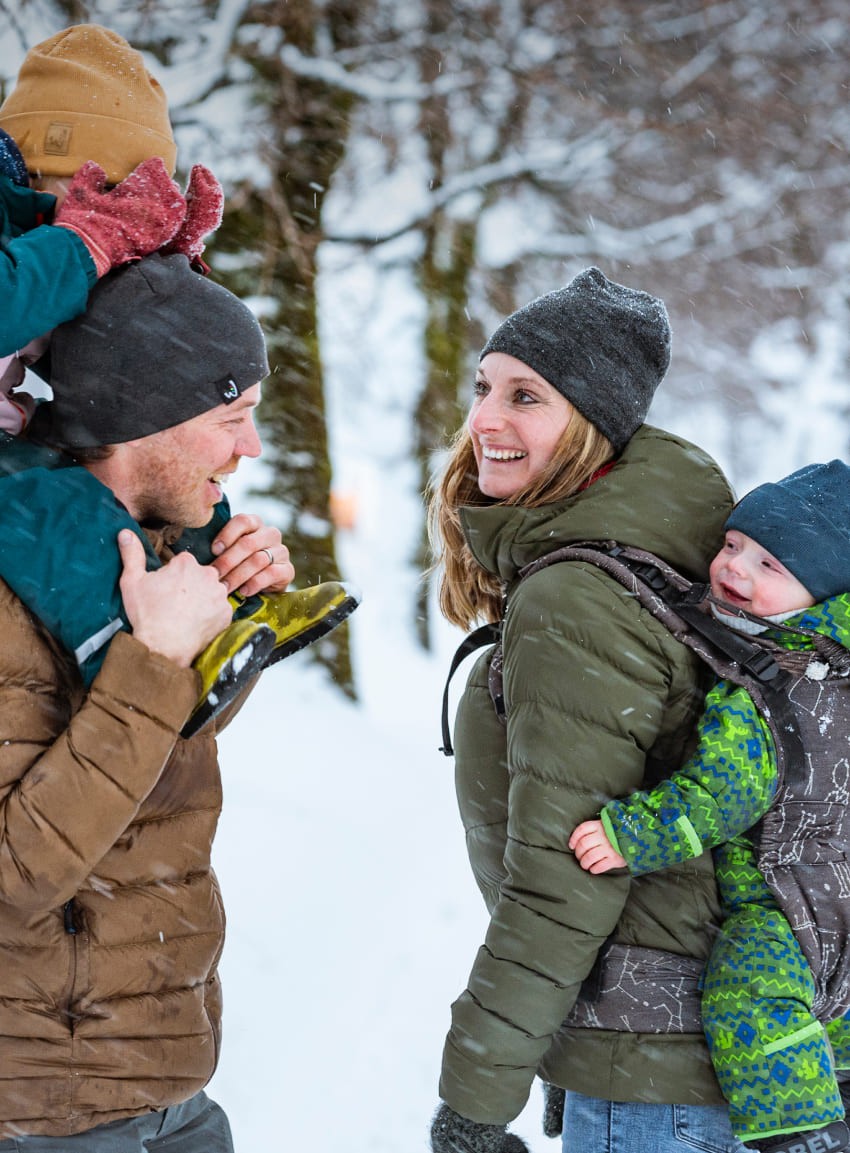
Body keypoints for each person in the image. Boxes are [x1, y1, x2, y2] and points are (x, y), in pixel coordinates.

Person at [427, 266, 744, 1153]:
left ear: (591, 426)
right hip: (696, 1056)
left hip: (652, 1077)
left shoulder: (577, 597)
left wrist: (476, 1101)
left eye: (525, 396)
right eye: (484, 387)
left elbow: (564, 876)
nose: (485, 418)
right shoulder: (661, 555)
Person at [0, 250, 286, 1149]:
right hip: (48, 1113)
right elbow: (10, 877)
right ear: (145, 415)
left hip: (172, 1089)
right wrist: (155, 661)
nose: (251, 447)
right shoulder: (11, 585)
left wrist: (236, 611)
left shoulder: (150, 550)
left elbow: (166, 748)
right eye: (232, 417)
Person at [0, 25, 358, 729]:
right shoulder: (47, 240)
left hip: (22, 427)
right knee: (55, 508)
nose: (118, 222)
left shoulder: (71, 244)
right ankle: (126, 649)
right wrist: (86, 243)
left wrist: (169, 275)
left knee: (168, 470)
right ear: (48, 170)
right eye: (110, 194)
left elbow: (136, 358)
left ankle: (239, 601)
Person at [569, 461, 850, 1153]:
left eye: (769, 565)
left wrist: (633, 833)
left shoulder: (768, 684)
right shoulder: (833, 667)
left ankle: (802, 1129)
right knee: (829, 1015)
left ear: (819, 593)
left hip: (782, 900)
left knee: (746, 989)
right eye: (732, 545)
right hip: (838, 893)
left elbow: (722, 792)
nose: (735, 569)